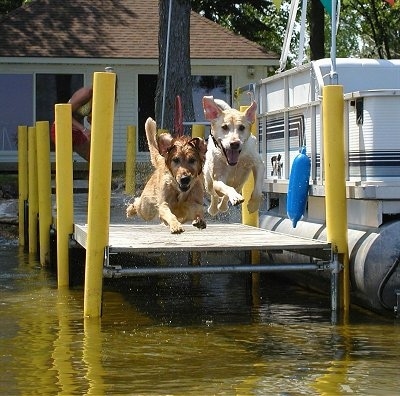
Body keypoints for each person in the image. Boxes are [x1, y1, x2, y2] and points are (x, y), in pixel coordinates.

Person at [50, 67, 116, 161]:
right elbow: (64, 114)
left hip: (77, 131)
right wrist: (84, 129)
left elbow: (91, 119)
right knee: (65, 162)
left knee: (94, 157)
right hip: (61, 127)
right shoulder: (87, 92)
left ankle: (96, 175)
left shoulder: (99, 98)